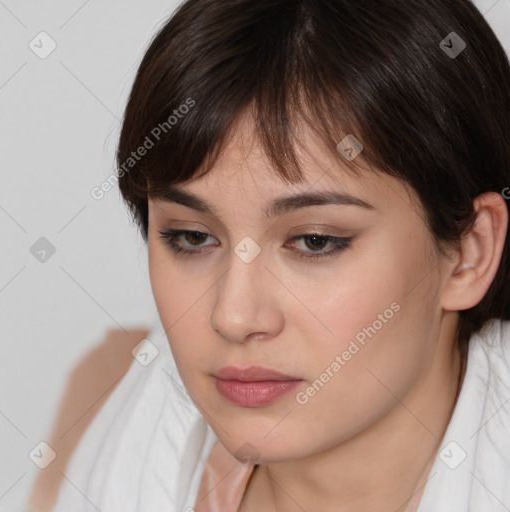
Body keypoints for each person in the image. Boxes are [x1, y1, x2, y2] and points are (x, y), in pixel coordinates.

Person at [52, 0, 510, 511]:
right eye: (193, 237)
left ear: (469, 252)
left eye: (315, 240)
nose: (233, 317)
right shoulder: (123, 451)